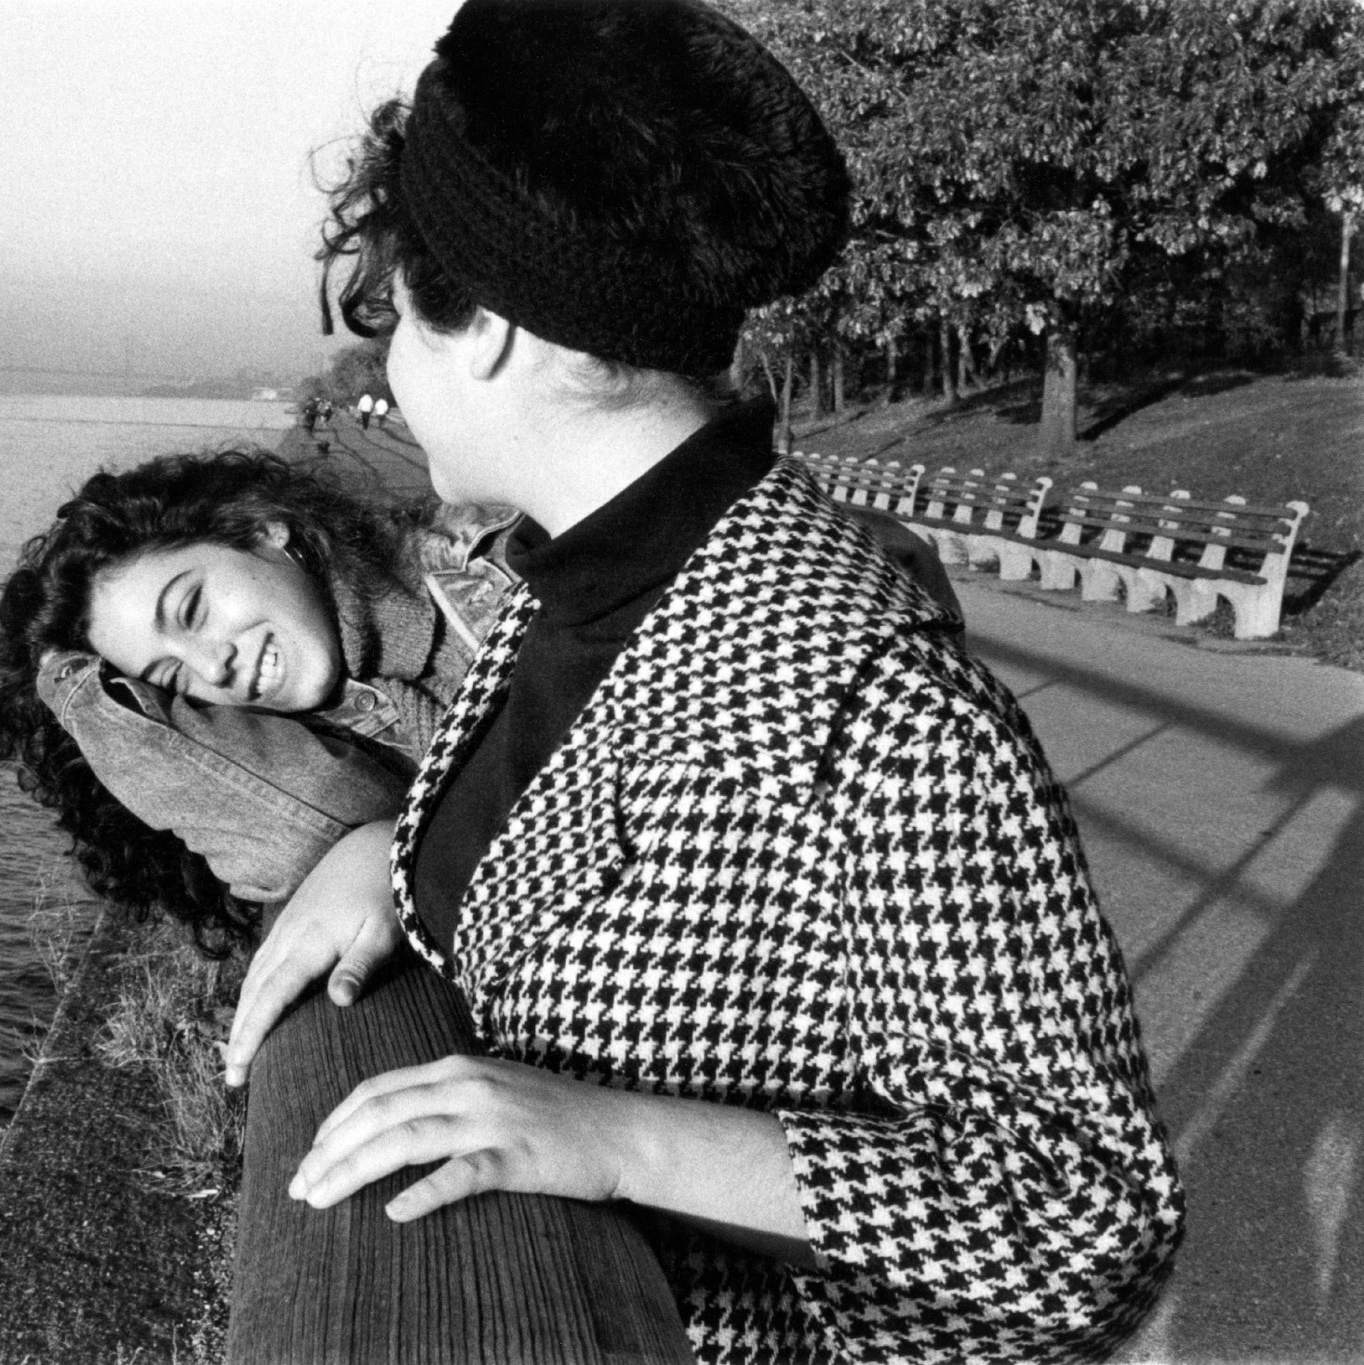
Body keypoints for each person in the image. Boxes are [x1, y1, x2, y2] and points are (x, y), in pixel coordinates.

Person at [222, 2, 1183, 1360]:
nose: (382, 374)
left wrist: (618, 1139)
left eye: (389, 316)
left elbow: (1087, 1218)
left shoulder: (875, 703)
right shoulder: (568, 594)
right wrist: (389, 850)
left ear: (484, 326)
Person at [0, 448, 518, 955]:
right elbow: (293, 839)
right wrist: (77, 695)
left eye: (192, 609)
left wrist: (397, 850)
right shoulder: (319, 736)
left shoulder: (500, 573)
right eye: (169, 673)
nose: (211, 667)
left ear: (262, 528)